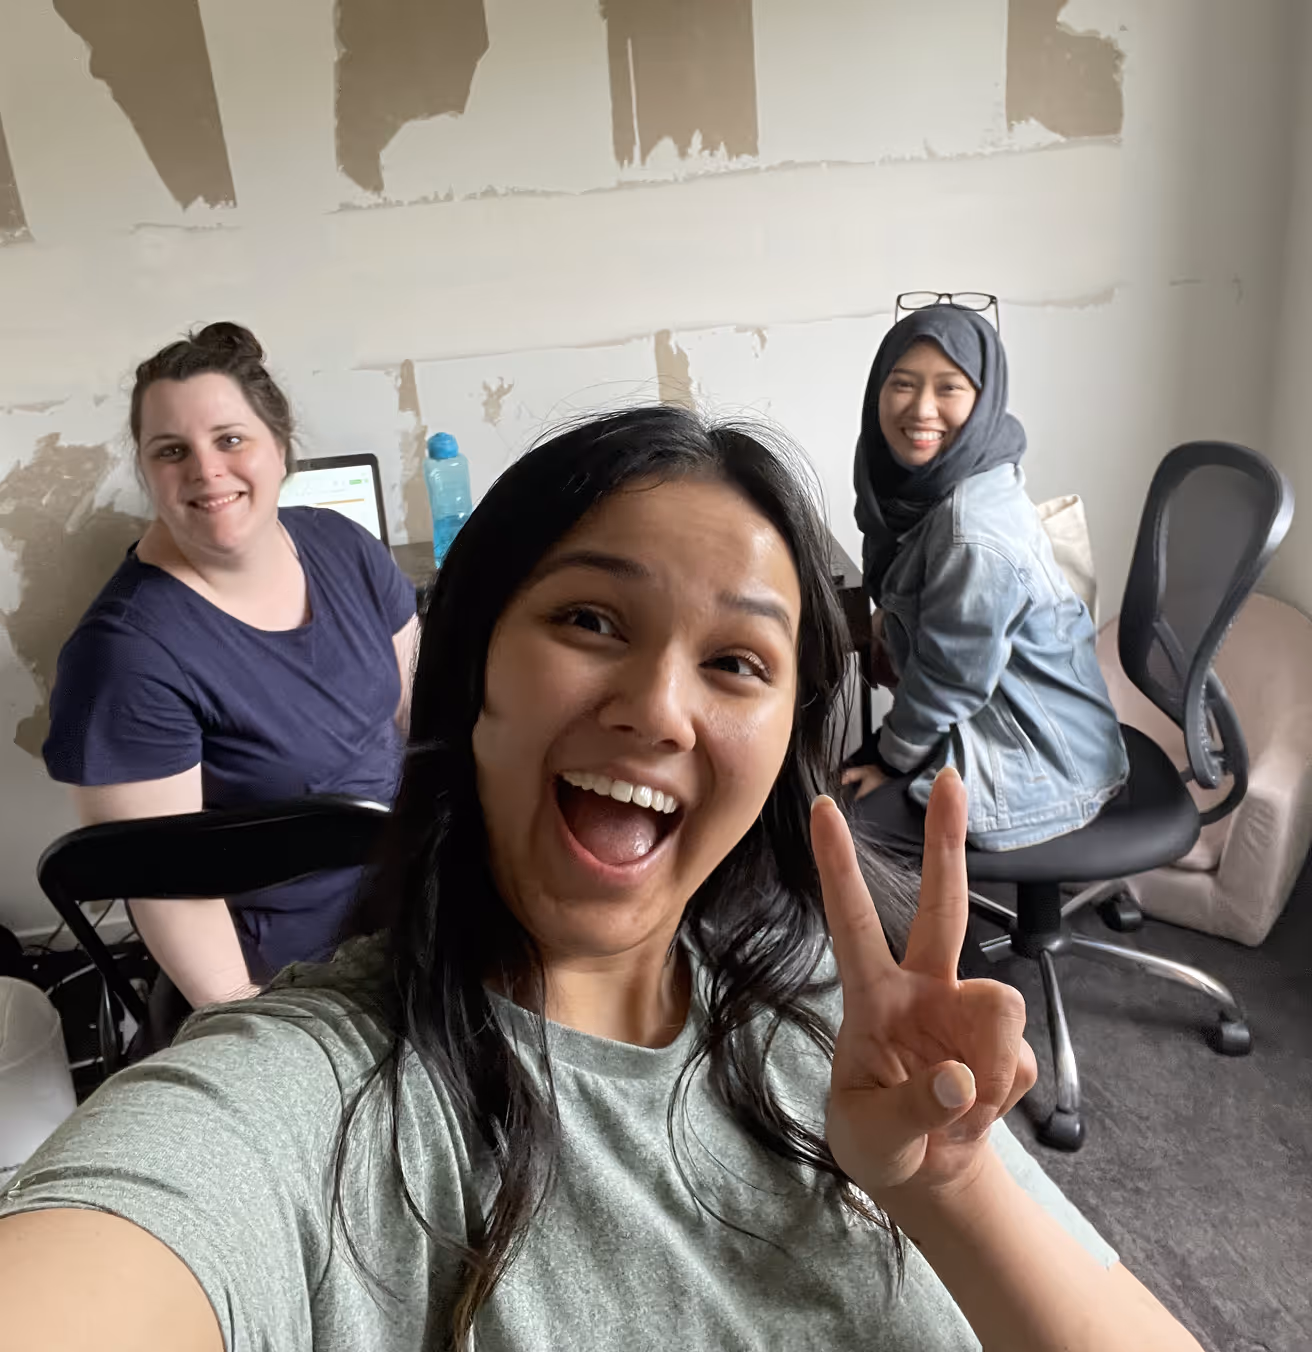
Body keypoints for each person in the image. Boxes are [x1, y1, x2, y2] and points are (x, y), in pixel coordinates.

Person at [0, 407, 1200, 1351]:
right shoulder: (306, 1099)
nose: (659, 709)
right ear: (472, 674)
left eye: (737, 661)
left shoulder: (856, 1025)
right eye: (590, 619)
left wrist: (950, 1181)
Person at [41, 322, 419, 1021]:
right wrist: (258, 1029)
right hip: (298, 977)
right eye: (171, 450)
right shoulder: (124, 657)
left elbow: (422, 716)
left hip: (418, 902)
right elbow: (165, 889)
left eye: (231, 439)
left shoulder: (345, 547)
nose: (205, 469)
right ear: (147, 471)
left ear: (280, 448)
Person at [844, 303, 1128, 850]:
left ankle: (938, 915)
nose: (922, 408)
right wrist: (888, 629)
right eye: (902, 384)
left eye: (949, 388)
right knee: (835, 799)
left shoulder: (971, 529)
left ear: (983, 400)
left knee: (838, 829)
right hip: (996, 720)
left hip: (1041, 760)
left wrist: (889, 759)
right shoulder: (945, 479)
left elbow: (951, 677)